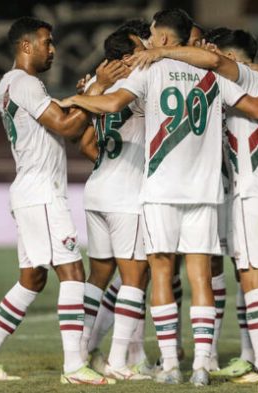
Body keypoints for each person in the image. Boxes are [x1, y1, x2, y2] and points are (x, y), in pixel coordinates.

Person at [56, 8, 258, 386]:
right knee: (201, 276)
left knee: (162, 273)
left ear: (166, 38)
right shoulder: (213, 72)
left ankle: (170, 365)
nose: (149, 41)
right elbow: (256, 107)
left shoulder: (150, 68)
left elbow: (114, 104)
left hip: (161, 190)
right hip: (205, 190)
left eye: (152, 34)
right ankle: (202, 364)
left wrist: (77, 98)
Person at [125, 27, 258, 383]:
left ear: (232, 59)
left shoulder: (230, 76)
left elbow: (226, 78)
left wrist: (161, 53)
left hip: (251, 195)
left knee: (252, 282)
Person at [0, 16, 124, 385]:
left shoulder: (17, 86)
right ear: (26, 46)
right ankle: (74, 367)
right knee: (72, 271)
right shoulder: (23, 83)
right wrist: (99, 87)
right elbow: (70, 127)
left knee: (32, 279)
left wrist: (89, 96)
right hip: (42, 194)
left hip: (31, 192)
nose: (52, 49)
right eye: (46, 42)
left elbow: (68, 128)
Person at [76, 27, 153, 381]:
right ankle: (119, 362)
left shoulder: (95, 81)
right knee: (135, 277)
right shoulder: (141, 79)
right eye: (142, 45)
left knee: (99, 275)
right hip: (126, 194)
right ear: (127, 56)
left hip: (97, 189)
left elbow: (86, 143)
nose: (148, 49)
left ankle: (81, 351)